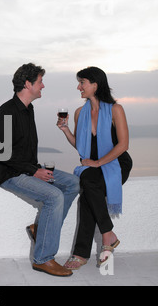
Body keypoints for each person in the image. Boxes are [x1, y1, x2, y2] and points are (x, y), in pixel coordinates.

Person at [0, 63, 80, 277]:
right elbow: (1, 155)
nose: (43, 86)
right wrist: (33, 172)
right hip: (9, 173)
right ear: (28, 84)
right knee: (54, 196)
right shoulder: (6, 111)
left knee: (74, 183)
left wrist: (34, 169)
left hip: (28, 168)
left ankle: (42, 230)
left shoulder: (29, 109)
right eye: (40, 81)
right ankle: (43, 258)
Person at [57, 66, 132, 270]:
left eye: (82, 82)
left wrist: (99, 162)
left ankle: (81, 254)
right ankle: (108, 236)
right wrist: (65, 131)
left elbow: (123, 145)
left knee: (88, 186)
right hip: (93, 165)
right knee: (89, 188)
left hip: (117, 162)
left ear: (95, 85)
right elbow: (81, 147)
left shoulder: (116, 109)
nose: (78, 86)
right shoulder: (80, 113)